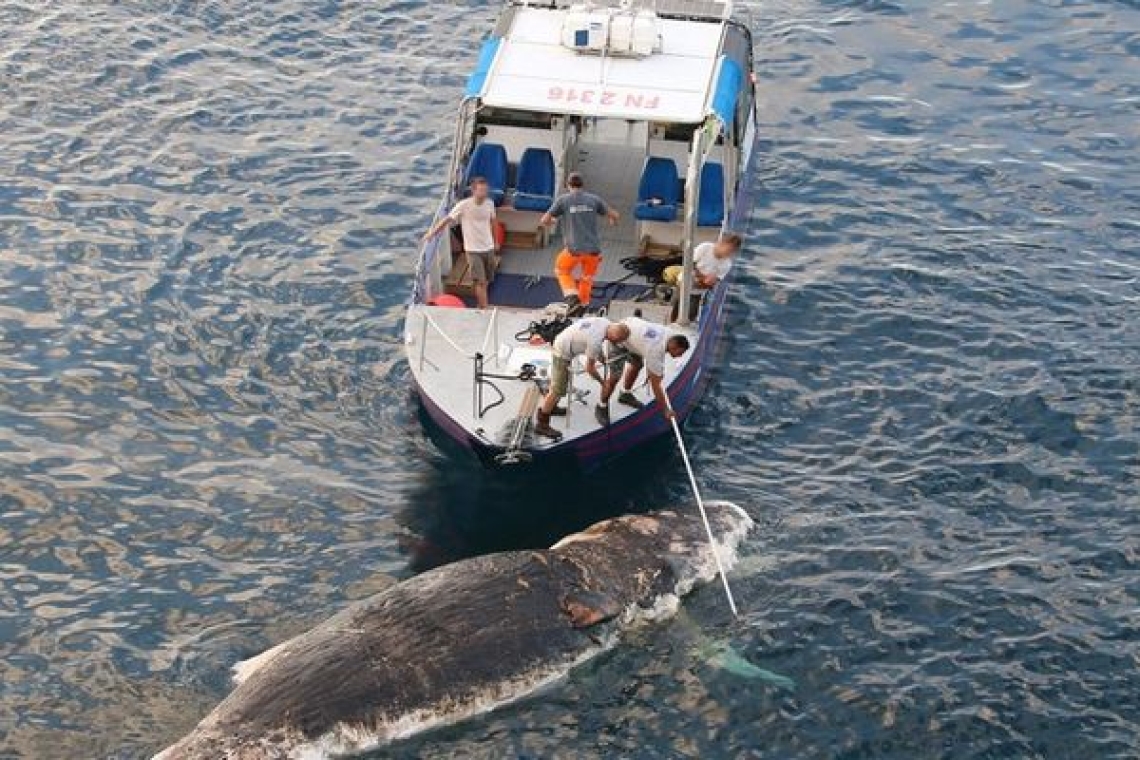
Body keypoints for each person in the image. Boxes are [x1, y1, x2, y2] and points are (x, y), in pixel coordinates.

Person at [533, 317, 631, 439]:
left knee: (562, 384)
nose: (616, 344)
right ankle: (542, 424)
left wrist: (600, 357)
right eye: (616, 341)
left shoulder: (606, 322)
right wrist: (603, 382)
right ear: (613, 337)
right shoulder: (595, 340)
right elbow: (589, 368)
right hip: (561, 351)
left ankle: (552, 408)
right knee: (557, 391)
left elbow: (596, 344)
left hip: (566, 339)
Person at [540, 173, 620, 315]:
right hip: (593, 250)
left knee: (561, 269)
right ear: (583, 185)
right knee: (587, 278)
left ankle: (572, 298)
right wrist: (612, 220)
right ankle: (583, 306)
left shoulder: (563, 200)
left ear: (568, 185)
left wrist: (552, 221)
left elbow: (544, 220)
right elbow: (614, 215)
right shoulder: (594, 199)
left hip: (573, 250)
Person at [423, 177, 498, 309]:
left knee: (485, 281)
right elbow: (447, 220)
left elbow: (493, 222)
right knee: (480, 281)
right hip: (473, 249)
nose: (484, 193)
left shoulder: (490, 204)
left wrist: (495, 241)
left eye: (485, 190)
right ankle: (484, 307)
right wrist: (432, 233)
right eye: (481, 190)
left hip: (488, 247)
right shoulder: (463, 205)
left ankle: (480, 304)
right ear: (473, 191)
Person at [609, 316, 691, 422]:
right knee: (614, 377)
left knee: (638, 364)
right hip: (618, 337)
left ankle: (625, 394)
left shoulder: (671, 334)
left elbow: (652, 358)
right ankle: (602, 405)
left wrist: (652, 371)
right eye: (680, 353)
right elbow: (656, 385)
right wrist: (666, 410)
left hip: (631, 325)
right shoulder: (656, 350)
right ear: (674, 346)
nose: (680, 356)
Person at [663, 232, 742, 290]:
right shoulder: (705, 247)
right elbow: (689, 263)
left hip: (700, 287)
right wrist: (702, 277)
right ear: (721, 243)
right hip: (687, 277)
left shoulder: (727, 264)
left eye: (732, 251)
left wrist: (710, 282)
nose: (729, 253)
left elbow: (716, 281)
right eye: (728, 249)